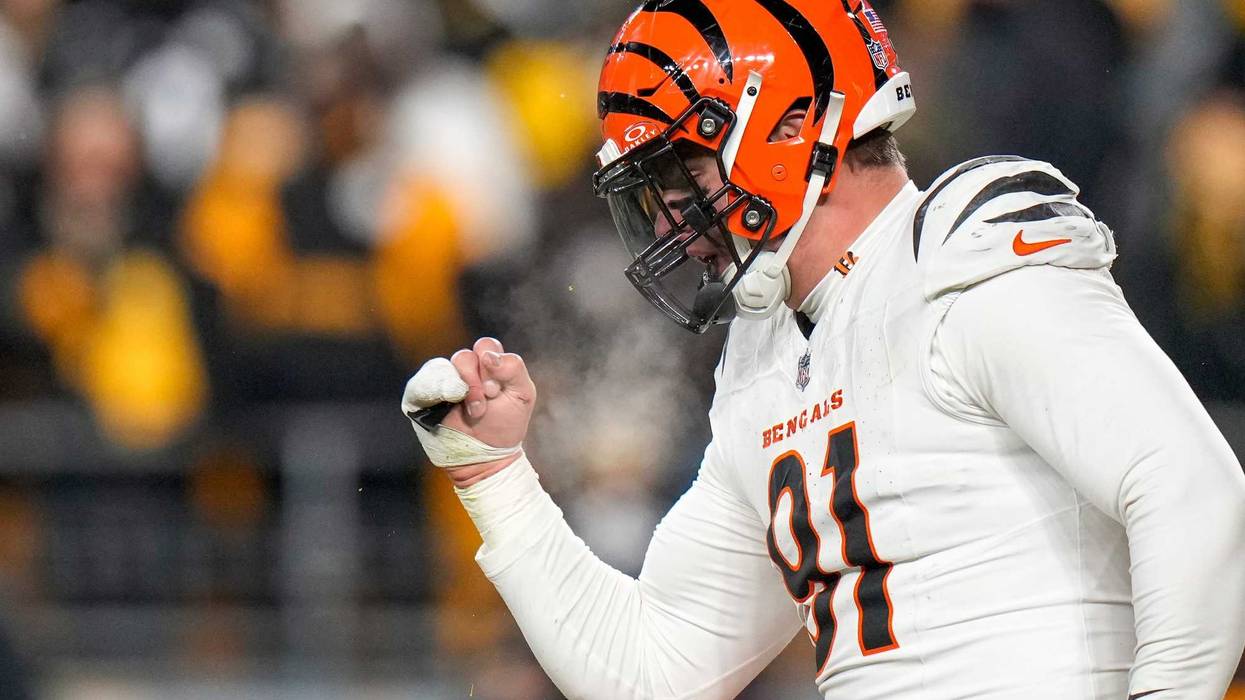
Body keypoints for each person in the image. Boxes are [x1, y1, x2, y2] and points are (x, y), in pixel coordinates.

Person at [402, 1, 1245, 697]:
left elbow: (1191, 487)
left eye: (682, 178)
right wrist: (494, 477)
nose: (668, 222)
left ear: (792, 124)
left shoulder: (958, 255)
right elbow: (652, 672)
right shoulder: (768, 354)